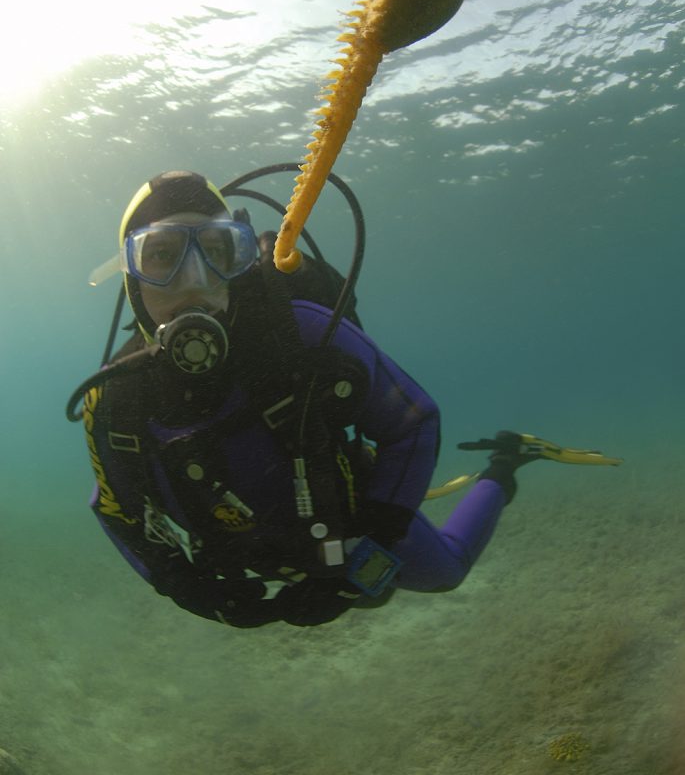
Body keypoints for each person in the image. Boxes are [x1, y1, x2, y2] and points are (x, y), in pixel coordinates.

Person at [80, 169, 533, 628]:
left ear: (239, 259)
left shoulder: (303, 333)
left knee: (447, 572)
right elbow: (116, 510)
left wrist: (368, 548)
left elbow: (414, 423)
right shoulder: (114, 400)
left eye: (216, 251)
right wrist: (187, 587)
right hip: (255, 550)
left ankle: (505, 464)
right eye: (161, 255)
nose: (193, 281)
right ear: (130, 276)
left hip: (348, 522)